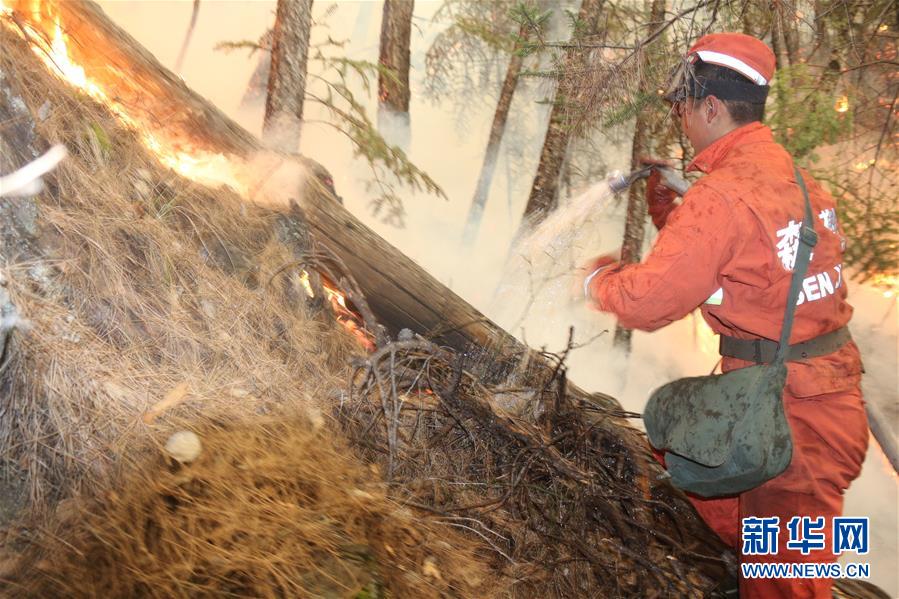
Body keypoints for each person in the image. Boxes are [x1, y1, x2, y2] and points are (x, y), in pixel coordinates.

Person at [580, 33, 869, 599]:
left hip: (793, 424)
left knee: (789, 584)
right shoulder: (801, 184)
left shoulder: (726, 196)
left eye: (683, 108)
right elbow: (750, 272)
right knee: (690, 458)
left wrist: (597, 281)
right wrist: (672, 212)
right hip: (816, 404)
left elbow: (649, 302)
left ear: (710, 107)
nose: (681, 120)